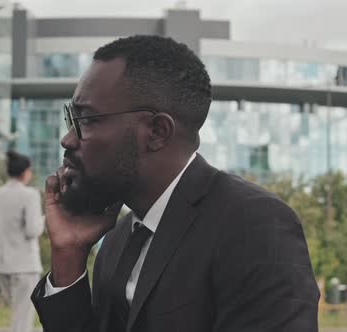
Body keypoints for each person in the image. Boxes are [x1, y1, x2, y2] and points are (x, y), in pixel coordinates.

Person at [30, 35, 320, 332]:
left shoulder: (253, 226)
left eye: (87, 120)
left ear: (157, 132)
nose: (67, 139)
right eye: (71, 119)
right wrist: (68, 254)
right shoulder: (118, 240)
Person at [0, 151, 44, 332]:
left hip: (2, 264)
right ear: (25, 172)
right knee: (23, 318)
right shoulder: (30, 195)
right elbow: (32, 230)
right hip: (25, 265)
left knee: (16, 314)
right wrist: (44, 218)